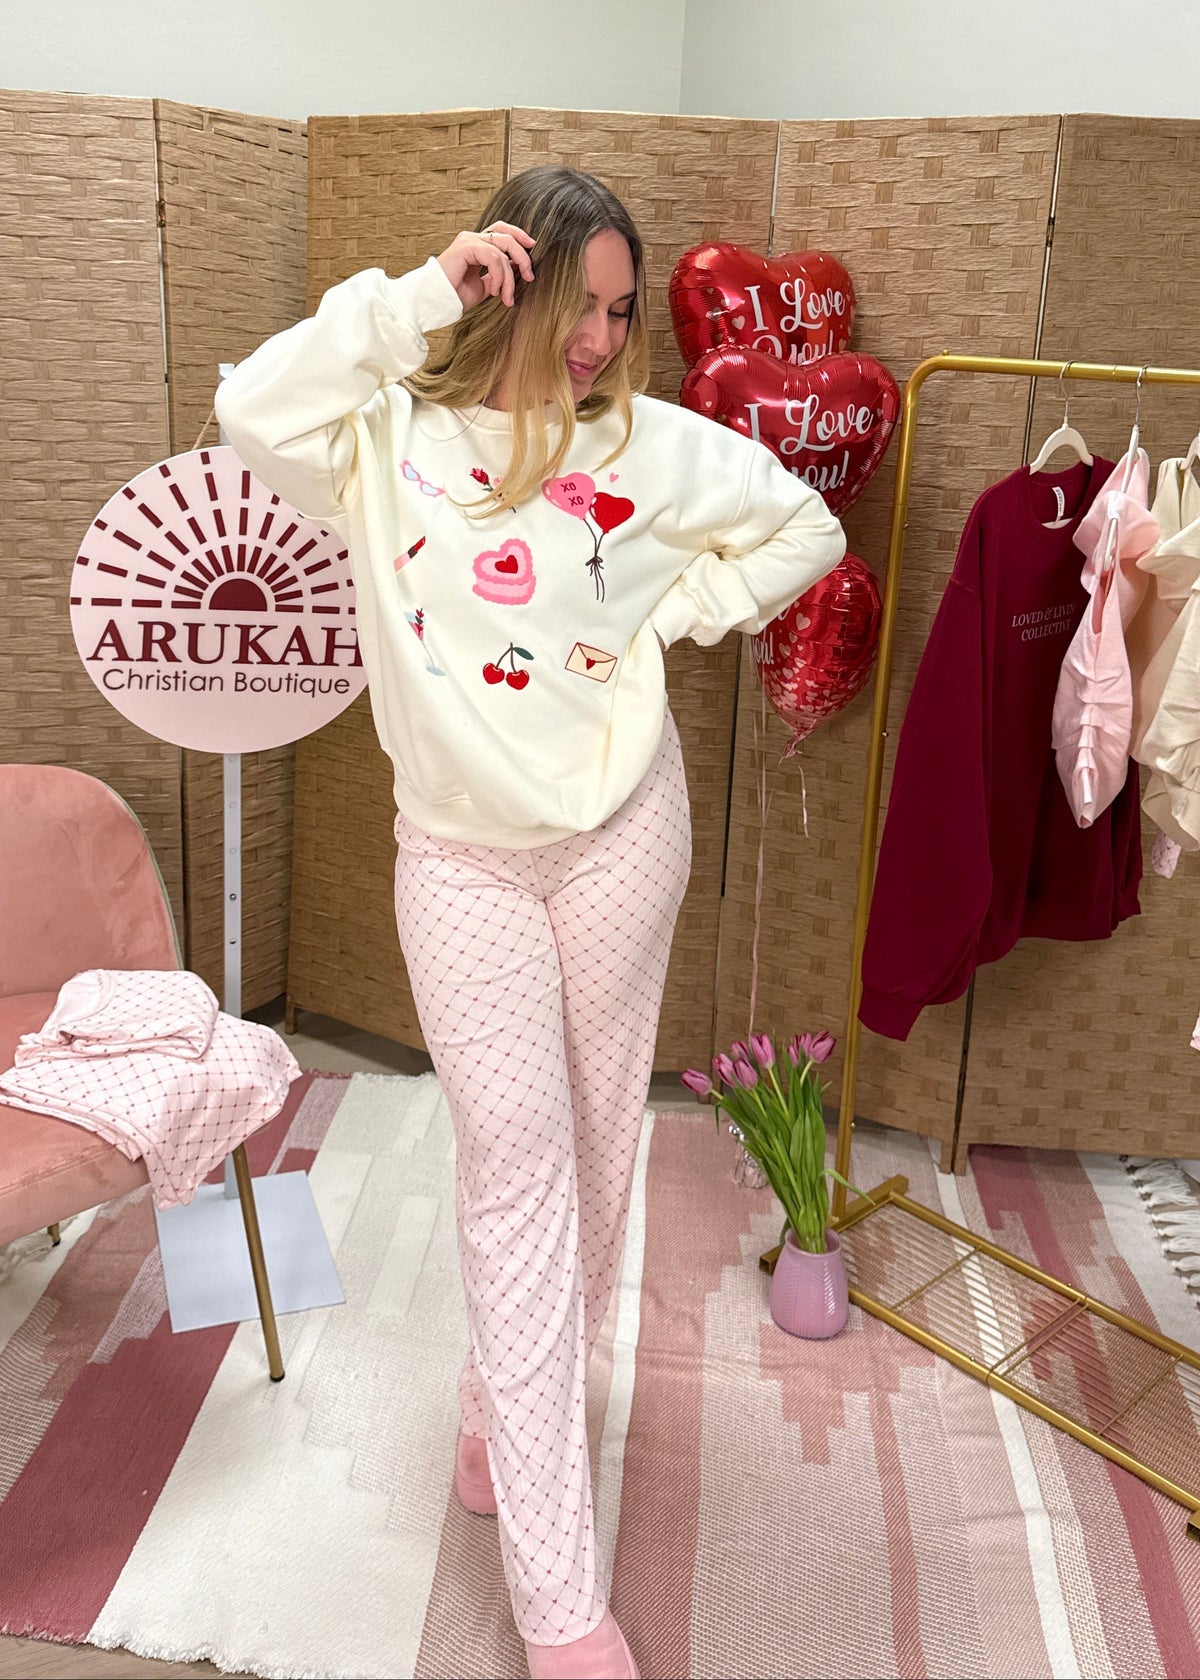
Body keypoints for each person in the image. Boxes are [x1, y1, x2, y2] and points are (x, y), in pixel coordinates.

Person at [216, 164, 845, 1680]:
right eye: (587, 305)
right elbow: (251, 409)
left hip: (625, 834)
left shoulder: (648, 441)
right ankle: (560, 1603)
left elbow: (804, 529)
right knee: (516, 1170)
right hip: (461, 860)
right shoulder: (381, 439)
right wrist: (423, 297)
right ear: (518, 282)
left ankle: (513, 1401)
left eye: (627, 313)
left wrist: (665, 619)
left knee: (597, 1147)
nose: (603, 339)